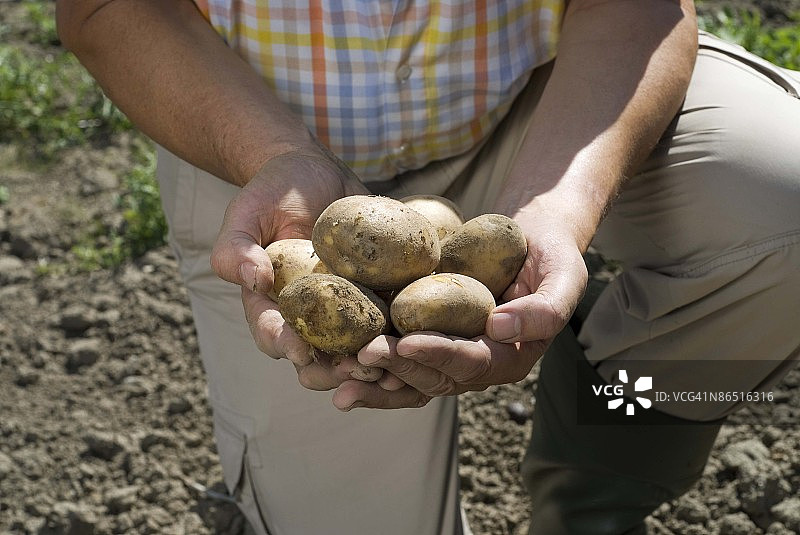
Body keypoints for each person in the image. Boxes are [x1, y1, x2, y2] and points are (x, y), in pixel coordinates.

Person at [56, 0, 800, 533]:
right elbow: (101, 11)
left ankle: (594, 488)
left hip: (543, 107)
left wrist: (558, 208)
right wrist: (277, 157)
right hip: (260, 155)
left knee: (782, 209)